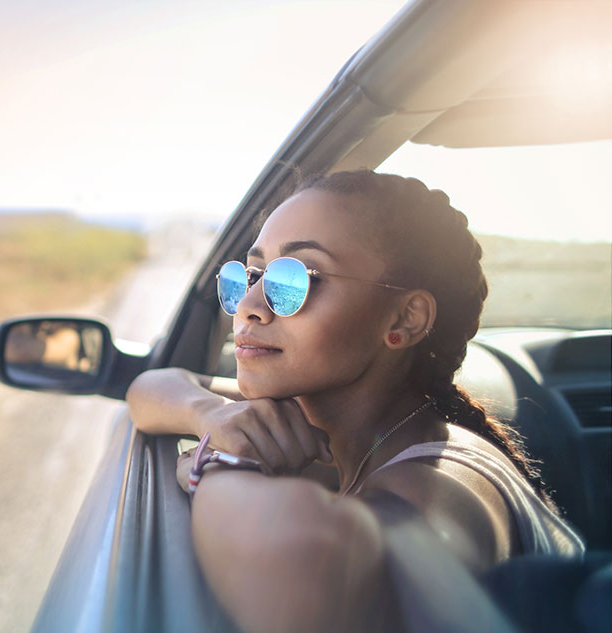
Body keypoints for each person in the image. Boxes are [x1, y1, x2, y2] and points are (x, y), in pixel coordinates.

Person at [125, 170, 584, 633]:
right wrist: (209, 415)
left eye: (295, 279)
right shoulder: (316, 418)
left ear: (405, 317)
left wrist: (220, 463)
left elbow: (309, 586)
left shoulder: (447, 476)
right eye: (250, 275)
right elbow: (154, 386)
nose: (249, 304)